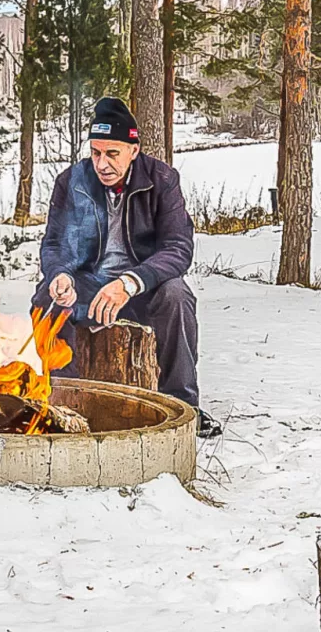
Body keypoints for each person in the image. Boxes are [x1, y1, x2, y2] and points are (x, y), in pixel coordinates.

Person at [35, 96, 221, 438]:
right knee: (46, 302)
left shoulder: (162, 180)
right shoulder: (71, 181)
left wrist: (130, 282)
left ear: (133, 149)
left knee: (177, 295)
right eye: (95, 152)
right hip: (88, 284)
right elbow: (54, 244)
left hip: (141, 286)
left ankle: (182, 406)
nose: (101, 163)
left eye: (112, 153)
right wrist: (60, 274)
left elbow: (178, 248)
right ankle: (67, 403)